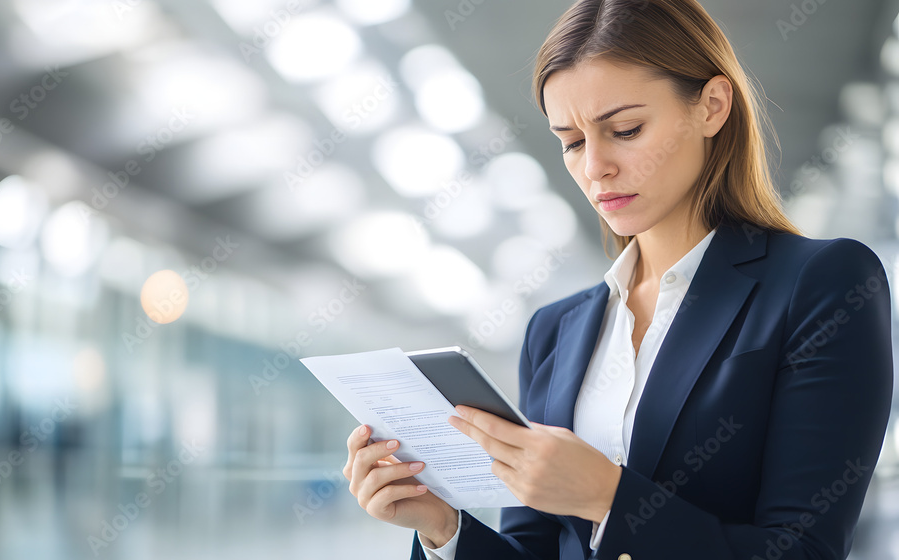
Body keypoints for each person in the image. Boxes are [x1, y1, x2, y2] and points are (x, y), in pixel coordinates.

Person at [342, 0, 895, 558]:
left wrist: (609, 498)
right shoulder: (555, 331)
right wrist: (444, 530)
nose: (594, 166)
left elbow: (804, 550)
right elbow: (535, 546)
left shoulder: (822, 284)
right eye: (573, 141)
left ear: (712, 106)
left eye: (625, 129)